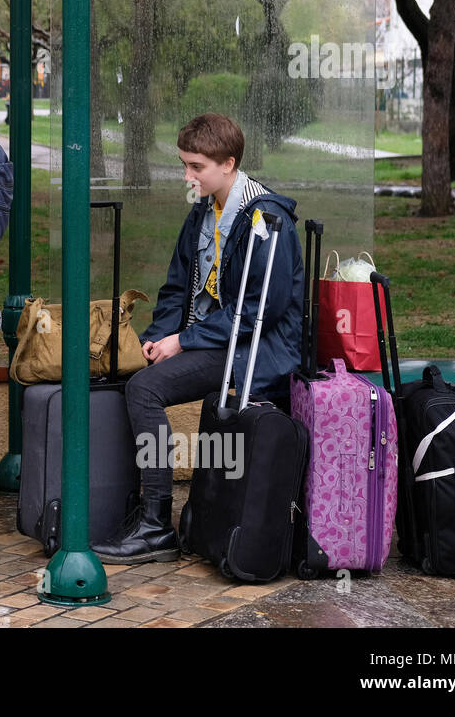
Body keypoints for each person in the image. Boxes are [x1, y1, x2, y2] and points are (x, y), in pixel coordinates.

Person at [93, 112, 303, 563]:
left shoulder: (268, 220)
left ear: (228, 163)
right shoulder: (203, 210)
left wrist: (184, 342)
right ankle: (135, 511)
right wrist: (154, 339)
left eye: (196, 167)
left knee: (144, 391)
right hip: (215, 340)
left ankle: (155, 526)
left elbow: (259, 311)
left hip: (257, 351)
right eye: (185, 164)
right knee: (132, 373)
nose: (187, 176)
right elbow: (175, 289)